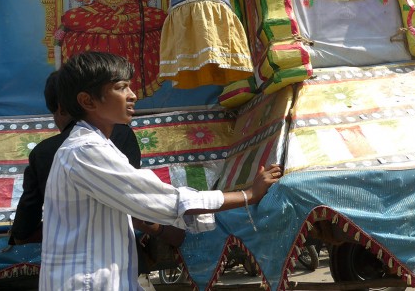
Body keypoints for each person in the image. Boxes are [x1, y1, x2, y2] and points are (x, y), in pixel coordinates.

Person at [39, 51, 282, 290]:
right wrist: (248, 195)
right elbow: (165, 200)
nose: (132, 95)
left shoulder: (97, 145)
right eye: (121, 87)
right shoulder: (85, 150)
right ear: (88, 101)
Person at [9, 71, 142, 245]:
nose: (132, 96)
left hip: (70, 252)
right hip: (119, 243)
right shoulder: (122, 135)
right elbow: (136, 194)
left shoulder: (44, 152)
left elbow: (25, 224)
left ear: (60, 108)